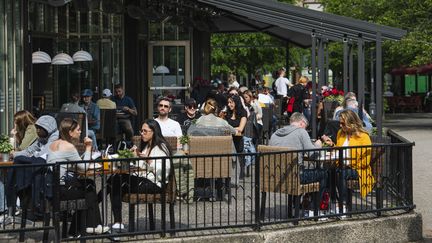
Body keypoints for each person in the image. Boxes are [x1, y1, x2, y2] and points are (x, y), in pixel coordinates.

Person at [47, 118, 108, 236]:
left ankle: (83, 228)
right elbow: (83, 167)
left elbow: (65, 163)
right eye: (78, 130)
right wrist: (89, 147)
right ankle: (90, 226)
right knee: (89, 188)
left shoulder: (53, 144)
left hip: (51, 188)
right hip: (62, 190)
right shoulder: (69, 147)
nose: (80, 132)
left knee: (88, 183)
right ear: (70, 132)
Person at [109, 119, 172, 230]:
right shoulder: (147, 146)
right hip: (145, 180)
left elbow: (164, 171)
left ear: (154, 132)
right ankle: (117, 221)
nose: (142, 133)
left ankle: (114, 219)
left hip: (156, 184)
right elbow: (141, 167)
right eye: (141, 131)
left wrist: (149, 161)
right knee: (115, 180)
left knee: (115, 181)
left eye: (145, 131)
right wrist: (135, 156)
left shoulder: (161, 147)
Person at [322, 109, 375, 212]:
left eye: (343, 123)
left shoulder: (363, 137)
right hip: (341, 165)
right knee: (328, 171)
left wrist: (349, 163)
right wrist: (332, 145)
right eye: (340, 123)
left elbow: (365, 161)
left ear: (351, 123)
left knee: (340, 173)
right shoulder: (340, 133)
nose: (340, 125)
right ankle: (333, 202)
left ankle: (344, 204)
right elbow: (339, 149)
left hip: (358, 169)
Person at [7, 115, 59, 219]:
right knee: (19, 162)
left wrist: (28, 155)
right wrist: (14, 154)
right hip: (38, 168)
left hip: (50, 172)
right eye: (37, 128)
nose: (38, 131)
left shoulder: (55, 138)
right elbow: (29, 150)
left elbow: (44, 153)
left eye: (40, 128)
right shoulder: (42, 138)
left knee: (21, 165)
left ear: (48, 128)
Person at [269, 112, 327, 203]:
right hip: (295, 177)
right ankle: (313, 209)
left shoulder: (274, 134)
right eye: (306, 127)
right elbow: (312, 154)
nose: (306, 129)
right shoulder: (301, 131)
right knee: (323, 174)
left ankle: (295, 206)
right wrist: (318, 145)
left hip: (274, 177)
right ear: (301, 123)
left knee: (302, 168)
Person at [225, 94, 247, 179]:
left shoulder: (243, 112)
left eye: (231, 102)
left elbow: (241, 128)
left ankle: (238, 174)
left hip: (237, 139)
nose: (229, 104)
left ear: (236, 103)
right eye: (228, 102)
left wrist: (229, 129)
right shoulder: (227, 113)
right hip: (228, 139)